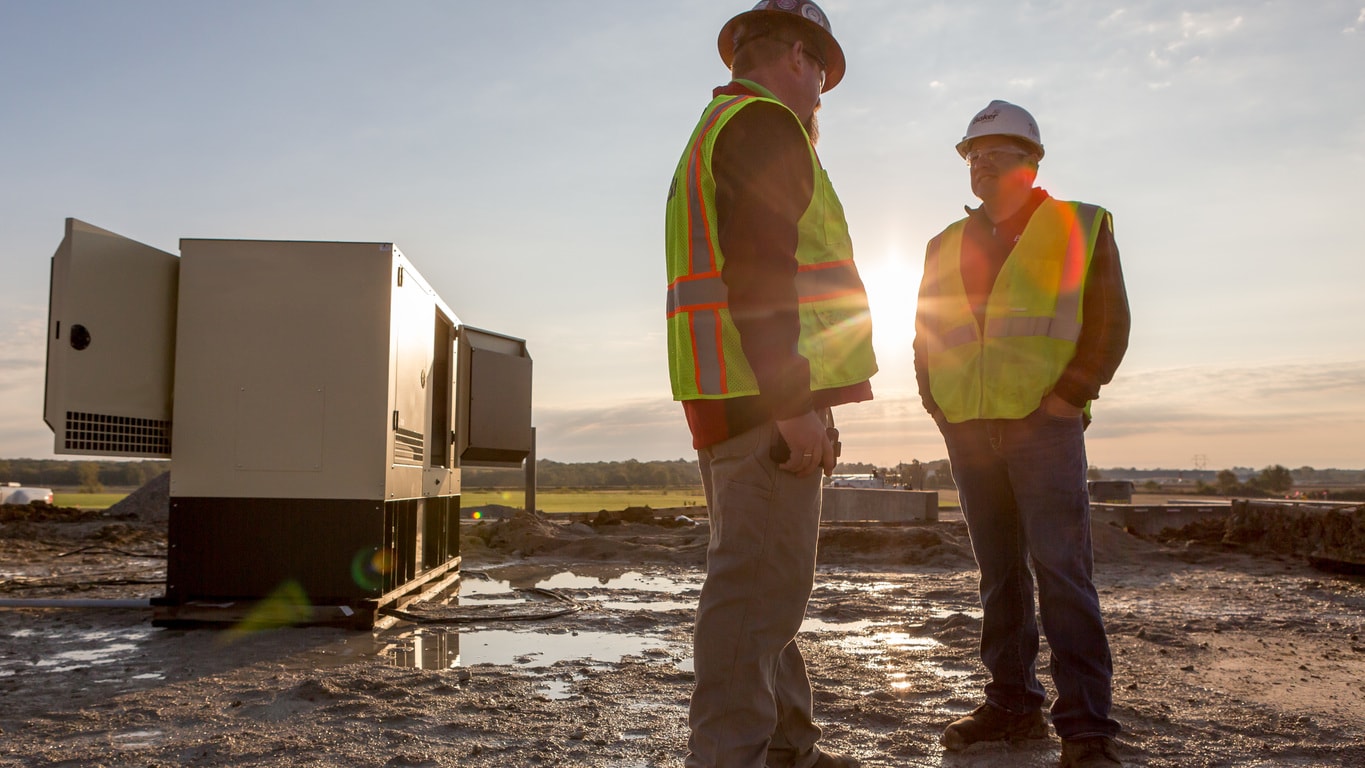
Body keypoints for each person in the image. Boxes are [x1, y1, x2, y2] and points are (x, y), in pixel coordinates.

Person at [663, 3, 877, 767]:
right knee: (755, 598)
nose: (821, 91)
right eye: (820, 71)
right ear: (795, 54)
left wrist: (809, 401)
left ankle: (787, 747)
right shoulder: (765, 126)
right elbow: (761, 274)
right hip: (760, 406)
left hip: (736, 399)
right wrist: (792, 406)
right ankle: (729, 758)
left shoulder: (719, 127)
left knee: (765, 587)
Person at [912, 100, 1131, 768]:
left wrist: (1070, 396)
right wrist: (938, 404)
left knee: (1062, 572)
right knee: (998, 575)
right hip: (968, 428)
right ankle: (1010, 705)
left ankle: (1086, 728)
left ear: (1030, 161)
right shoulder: (943, 243)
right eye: (972, 154)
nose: (980, 163)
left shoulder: (1078, 226)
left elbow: (1107, 321)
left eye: (995, 152)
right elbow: (925, 330)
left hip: (1044, 425)